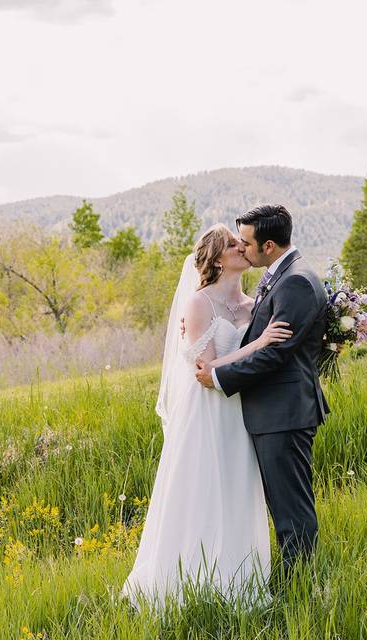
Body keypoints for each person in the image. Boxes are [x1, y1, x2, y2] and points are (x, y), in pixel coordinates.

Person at [121, 223, 292, 609]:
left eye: (241, 243)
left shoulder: (253, 304)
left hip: (242, 411)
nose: (242, 248)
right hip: (206, 411)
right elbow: (206, 369)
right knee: (202, 489)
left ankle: (237, 579)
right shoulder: (199, 304)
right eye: (233, 245)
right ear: (216, 257)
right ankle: (187, 582)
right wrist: (260, 343)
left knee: (236, 490)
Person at [196, 204, 329, 577]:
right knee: (282, 505)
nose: (241, 246)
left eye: (247, 241)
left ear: (268, 245)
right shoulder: (282, 274)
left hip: (283, 412)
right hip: (273, 411)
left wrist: (219, 378)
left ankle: (301, 584)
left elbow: (275, 354)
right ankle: (294, 578)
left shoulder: (296, 281)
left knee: (291, 510)